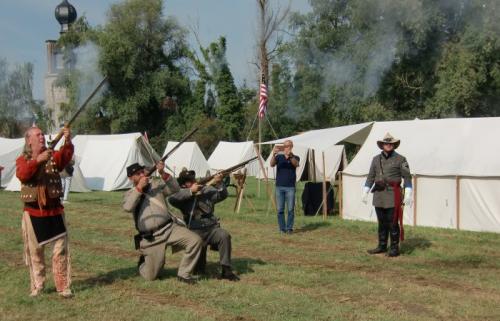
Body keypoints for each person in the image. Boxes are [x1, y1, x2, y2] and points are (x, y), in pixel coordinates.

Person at [16, 126, 74, 298]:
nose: (41, 136)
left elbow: (64, 157)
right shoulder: (22, 160)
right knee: (35, 253)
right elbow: (24, 175)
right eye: (38, 134)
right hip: (33, 213)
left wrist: (67, 140)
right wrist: (38, 160)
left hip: (55, 211)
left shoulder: (52, 156)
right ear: (29, 140)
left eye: (42, 134)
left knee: (60, 252)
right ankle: (38, 285)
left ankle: (63, 286)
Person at [122, 162, 203, 284]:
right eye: (137, 174)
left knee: (195, 240)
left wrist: (163, 173)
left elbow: (175, 188)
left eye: (142, 171)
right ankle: (144, 263)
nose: (141, 174)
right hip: (152, 237)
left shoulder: (155, 184)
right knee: (151, 276)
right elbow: (128, 207)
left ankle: (184, 274)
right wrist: (139, 188)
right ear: (130, 178)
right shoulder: (129, 193)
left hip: (170, 228)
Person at [169, 169, 239, 281]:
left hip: (211, 228)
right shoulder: (182, 196)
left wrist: (219, 183)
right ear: (183, 185)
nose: (193, 181)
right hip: (195, 231)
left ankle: (226, 270)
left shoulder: (206, 190)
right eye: (189, 181)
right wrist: (191, 191)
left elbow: (223, 195)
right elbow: (172, 199)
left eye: (193, 179)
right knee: (199, 269)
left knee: (224, 235)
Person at [362, 133, 413, 257]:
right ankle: (382, 246)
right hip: (379, 194)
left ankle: (394, 249)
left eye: (390, 143)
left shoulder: (401, 159)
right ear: (382, 145)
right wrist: (365, 191)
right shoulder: (375, 159)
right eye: (386, 143)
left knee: (392, 222)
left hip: (393, 194)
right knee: (382, 222)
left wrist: (408, 194)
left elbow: (407, 178)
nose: (388, 145)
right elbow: (370, 177)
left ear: (394, 145)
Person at [270, 140, 300, 234]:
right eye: (285, 146)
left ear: (291, 147)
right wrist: (274, 154)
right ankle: (282, 229)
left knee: (290, 209)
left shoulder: (295, 157)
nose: (286, 148)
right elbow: (271, 164)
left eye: (287, 146)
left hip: (290, 187)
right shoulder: (279, 157)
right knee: (280, 209)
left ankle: (289, 228)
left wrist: (290, 156)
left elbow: (296, 164)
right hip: (279, 187)